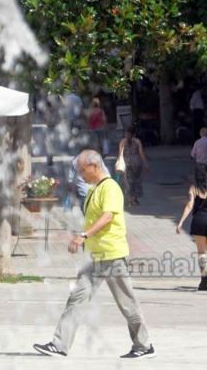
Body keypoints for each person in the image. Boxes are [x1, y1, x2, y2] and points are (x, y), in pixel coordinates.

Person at [33, 150, 155, 359]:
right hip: (96, 256)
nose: (80, 174)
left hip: (112, 255)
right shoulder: (93, 189)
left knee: (127, 303)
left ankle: (143, 346)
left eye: (82, 170)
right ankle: (60, 345)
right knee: (77, 298)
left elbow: (108, 216)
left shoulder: (110, 188)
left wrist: (83, 235)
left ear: (95, 166)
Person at [176, 164, 207, 290]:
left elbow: (189, 205)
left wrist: (181, 222)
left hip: (199, 221)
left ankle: (204, 280)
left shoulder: (193, 188)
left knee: (202, 252)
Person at [118, 127, 149, 206]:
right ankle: (134, 199)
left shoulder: (123, 142)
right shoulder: (137, 141)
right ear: (134, 134)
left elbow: (120, 154)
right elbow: (141, 153)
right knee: (136, 181)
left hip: (127, 162)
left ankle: (129, 200)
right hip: (136, 162)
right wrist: (145, 164)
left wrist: (118, 163)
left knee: (127, 181)